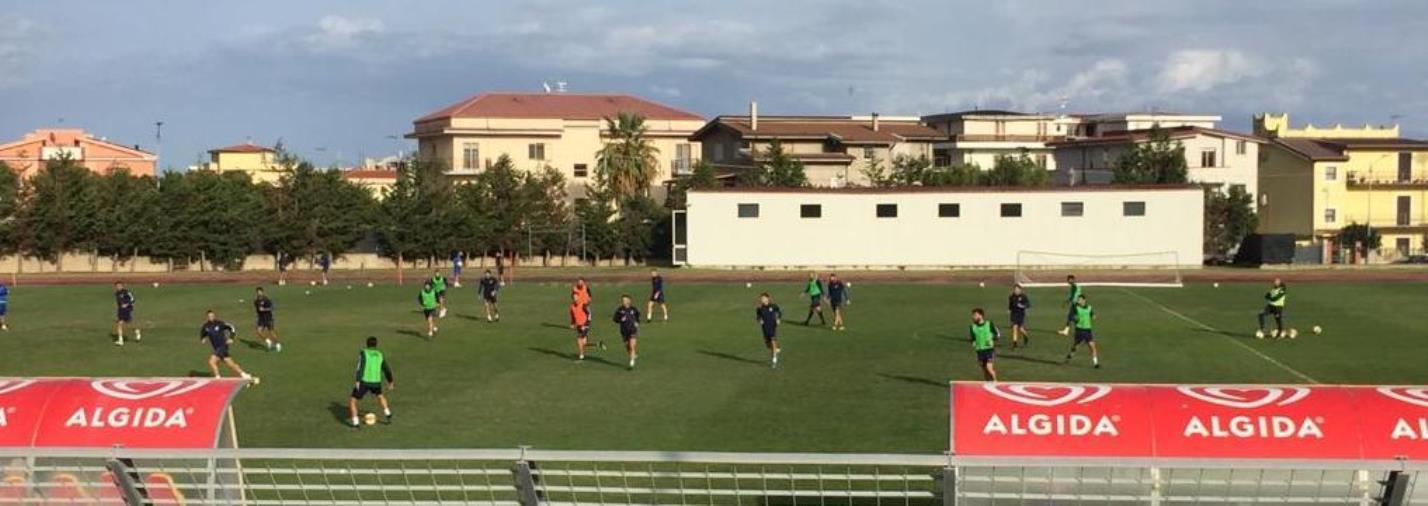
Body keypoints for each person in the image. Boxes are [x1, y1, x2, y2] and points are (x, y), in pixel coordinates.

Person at [347, 336, 394, 429]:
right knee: (380, 396)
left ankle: (356, 424)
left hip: (364, 381)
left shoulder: (364, 353)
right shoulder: (380, 354)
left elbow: (360, 367)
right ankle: (388, 414)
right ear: (376, 344)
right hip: (376, 381)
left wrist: (358, 380)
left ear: (367, 344)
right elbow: (386, 369)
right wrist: (390, 381)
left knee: (353, 401)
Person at [198, 310, 255, 381]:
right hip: (216, 348)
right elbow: (203, 333)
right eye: (209, 316)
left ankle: (217, 377)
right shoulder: (206, 326)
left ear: (214, 316)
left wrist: (231, 338)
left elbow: (231, 328)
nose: (211, 317)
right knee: (230, 363)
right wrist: (203, 338)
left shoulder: (220, 323)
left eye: (212, 316)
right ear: (207, 317)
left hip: (222, 346)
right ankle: (244, 375)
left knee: (212, 361)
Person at [1063, 294, 1099, 368]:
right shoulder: (1075, 307)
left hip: (1088, 330)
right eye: (1078, 299)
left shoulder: (1089, 307)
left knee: (1092, 346)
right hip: (1079, 330)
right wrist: (1074, 319)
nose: (1078, 301)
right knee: (1076, 346)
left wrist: (1094, 316)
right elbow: (1071, 316)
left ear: (1084, 300)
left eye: (1080, 299)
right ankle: (1069, 356)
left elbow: (1092, 314)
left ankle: (1096, 363)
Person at [970, 308, 1000, 381]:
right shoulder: (972, 327)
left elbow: (997, 334)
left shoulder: (989, 324)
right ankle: (988, 383)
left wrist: (991, 338)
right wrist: (974, 343)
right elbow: (973, 338)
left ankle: (995, 382)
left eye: (975, 315)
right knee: (984, 370)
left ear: (981, 316)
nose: (973, 317)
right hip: (979, 350)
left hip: (989, 349)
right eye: (973, 315)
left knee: (989, 367)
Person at [612, 295, 641, 369]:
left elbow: (638, 316)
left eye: (625, 300)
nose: (623, 302)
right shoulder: (620, 310)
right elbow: (615, 319)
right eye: (623, 300)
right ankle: (633, 355)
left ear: (629, 301)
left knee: (632, 345)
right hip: (624, 331)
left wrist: (637, 322)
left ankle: (632, 362)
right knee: (627, 346)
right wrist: (621, 319)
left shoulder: (633, 309)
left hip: (632, 330)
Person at [755, 293, 783, 368]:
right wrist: (760, 320)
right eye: (761, 298)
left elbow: (779, 312)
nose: (762, 300)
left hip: (772, 326)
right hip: (765, 327)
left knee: (773, 341)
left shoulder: (773, 306)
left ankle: (774, 359)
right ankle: (776, 349)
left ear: (767, 298)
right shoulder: (759, 308)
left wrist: (778, 319)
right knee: (768, 345)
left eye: (763, 298)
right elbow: (758, 317)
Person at [253, 287, 281, 352]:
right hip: (261, 319)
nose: (259, 293)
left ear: (262, 292)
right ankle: (268, 341)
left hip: (268, 318)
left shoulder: (266, 299)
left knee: (271, 332)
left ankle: (278, 344)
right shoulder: (256, 301)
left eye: (260, 292)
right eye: (258, 292)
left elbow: (273, 307)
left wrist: (264, 309)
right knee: (259, 332)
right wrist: (258, 315)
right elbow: (258, 310)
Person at [114, 281, 140, 346]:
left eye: (119, 286)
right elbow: (119, 302)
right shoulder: (117, 293)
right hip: (120, 310)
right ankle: (121, 340)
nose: (118, 287)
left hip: (126, 310)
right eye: (117, 286)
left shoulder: (126, 292)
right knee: (119, 324)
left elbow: (133, 299)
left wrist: (126, 304)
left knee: (129, 323)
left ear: (122, 286)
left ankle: (137, 331)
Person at [1007, 284, 1031, 349]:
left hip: (1020, 314)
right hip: (1013, 314)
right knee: (1014, 327)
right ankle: (1015, 343)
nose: (1016, 291)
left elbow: (1028, 304)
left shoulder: (1023, 296)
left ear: (1020, 290)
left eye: (1017, 289)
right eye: (1015, 289)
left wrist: (1022, 306)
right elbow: (1010, 305)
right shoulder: (1011, 297)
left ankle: (1025, 335)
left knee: (1020, 329)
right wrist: (1009, 310)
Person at [570, 292, 592, 360]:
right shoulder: (572, 306)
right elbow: (573, 316)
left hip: (585, 325)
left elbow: (589, 314)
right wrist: (572, 323)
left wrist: (586, 325)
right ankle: (596, 344)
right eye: (574, 298)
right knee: (584, 343)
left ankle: (581, 354)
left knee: (579, 339)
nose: (575, 299)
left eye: (576, 297)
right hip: (578, 326)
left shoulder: (583, 305)